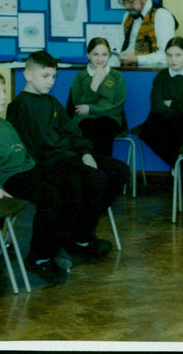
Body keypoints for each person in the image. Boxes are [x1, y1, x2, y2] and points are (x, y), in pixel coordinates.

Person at [7, 50, 129, 260]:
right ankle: (78, 237)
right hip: (50, 162)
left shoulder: (52, 102)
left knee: (120, 171)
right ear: (27, 75)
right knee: (95, 179)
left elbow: (72, 132)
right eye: (45, 76)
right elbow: (28, 146)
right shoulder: (19, 106)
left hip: (70, 154)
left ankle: (80, 233)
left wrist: (85, 153)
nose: (50, 82)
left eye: (53, 76)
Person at [0, 68, 70, 285]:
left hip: (23, 171)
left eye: (4, 91)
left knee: (68, 183)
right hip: (1, 180)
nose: (4, 96)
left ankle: (55, 244)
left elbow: (22, 155)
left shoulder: (3, 124)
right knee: (50, 195)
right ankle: (40, 257)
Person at [136, 37, 183, 168]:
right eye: (169, 55)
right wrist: (182, 104)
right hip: (164, 121)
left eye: (178, 55)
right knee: (148, 131)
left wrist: (173, 103)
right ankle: (179, 166)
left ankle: (180, 170)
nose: (173, 59)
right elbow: (157, 106)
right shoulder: (161, 77)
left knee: (181, 127)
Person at [70, 37, 127, 156]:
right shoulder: (80, 77)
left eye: (104, 54)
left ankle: (102, 169)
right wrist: (94, 85)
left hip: (110, 118)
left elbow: (117, 106)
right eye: (95, 54)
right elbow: (78, 104)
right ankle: (94, 169)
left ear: (109, 55)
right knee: (89, 127)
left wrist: (91, 108)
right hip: (86, 119)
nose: (100, 59)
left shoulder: (117, 77)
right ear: (88, 55)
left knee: (104, 126)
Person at [112, 0, 177, 66]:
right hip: (127, 73)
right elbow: (119, 45)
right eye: (123, 2)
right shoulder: (127, 16)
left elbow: (167, 55)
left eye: (130, 1)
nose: (126, 6)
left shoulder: (162, 16)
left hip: (151, 74)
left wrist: (137, 59)